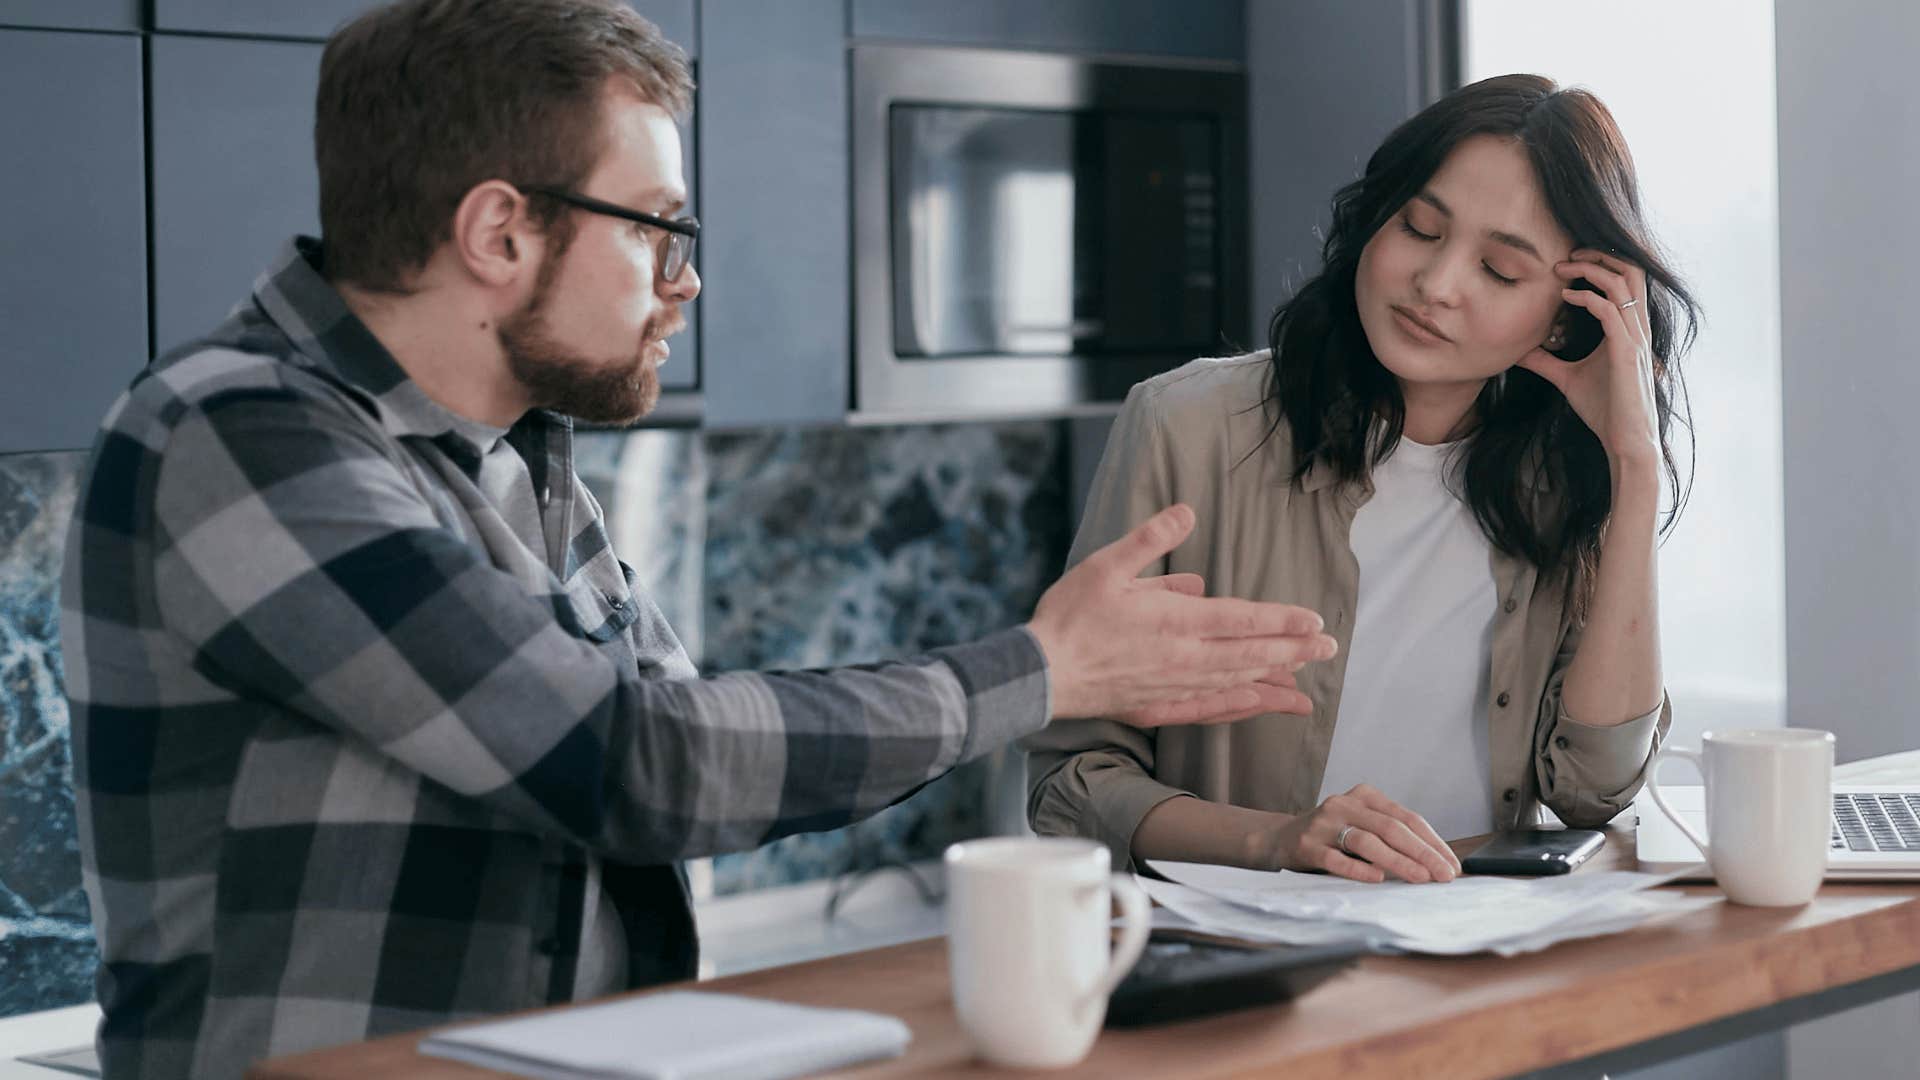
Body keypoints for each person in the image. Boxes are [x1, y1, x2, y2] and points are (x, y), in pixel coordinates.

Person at [59, 2, 1341, 1075]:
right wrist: (1044, 672)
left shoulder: (520, 455)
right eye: (659, 227)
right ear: (501, 231)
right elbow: (631, 760)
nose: (688, 280)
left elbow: (690, 768)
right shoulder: (234, 435)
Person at [1026, 74, 1700, 887]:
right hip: (1246, 961)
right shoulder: (1188, 427)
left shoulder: (1560, 478)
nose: (1436, 284)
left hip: (1472, 948)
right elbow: (1071, 783)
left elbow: (1595, 789)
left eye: (1498, 270)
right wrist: (1279, 840)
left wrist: (1635, 468)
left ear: (1564, 316)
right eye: (1420, 228)